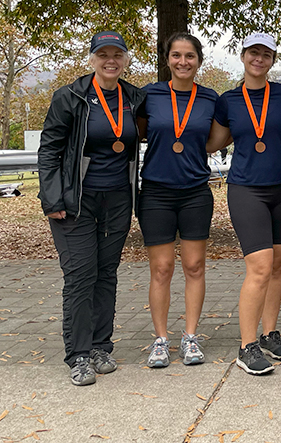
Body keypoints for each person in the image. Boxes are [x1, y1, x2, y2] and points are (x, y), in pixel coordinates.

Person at [38, 31, 145, 385]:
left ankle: (101, 346)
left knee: (107, 273)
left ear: (126, 59)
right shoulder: (70, 97)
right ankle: (78, 355)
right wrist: (52, 199)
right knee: (81, 275)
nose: (110, 60)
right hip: (74, 202)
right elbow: (49, 150)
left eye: (118, 54)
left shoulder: (134, 98)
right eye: (103, 54)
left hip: (116, 200)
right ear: (92, 59)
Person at [207, 33, 281, 375]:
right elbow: (213, 141)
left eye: (266, 54)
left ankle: (269, 333)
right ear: (243, 55)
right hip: (247, 189)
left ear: (273, 60)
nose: (259, 59)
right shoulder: (228, 100)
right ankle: (246, 346)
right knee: (259, 267)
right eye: (253, 53)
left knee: (277, 266)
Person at [137, 33, 218, 368]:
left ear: (199, 61)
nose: (183, 62)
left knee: (194, 266)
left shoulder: (211, 99)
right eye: (176, 56)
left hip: (195, 191)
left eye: (190, 56)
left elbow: (214, 141)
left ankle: (189, 337)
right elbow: (140, 131)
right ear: (167, 59)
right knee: (162, 268)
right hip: (156, 191)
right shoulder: (149, 95)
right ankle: (160, 340)